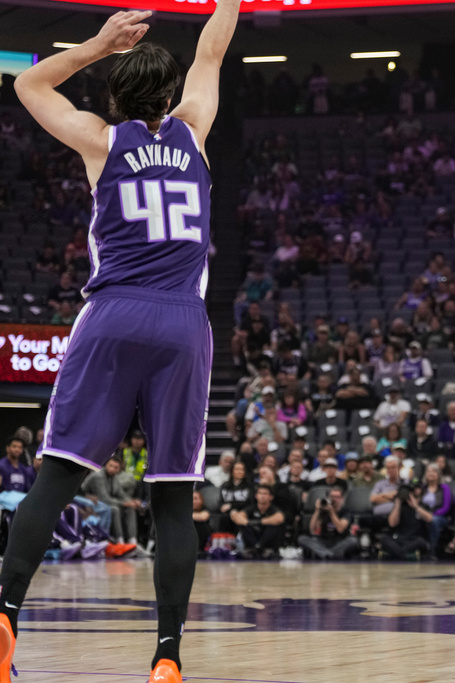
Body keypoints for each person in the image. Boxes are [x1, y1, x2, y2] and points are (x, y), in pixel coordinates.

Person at [1, 4, 240, 680]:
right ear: (170, 95)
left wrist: (98, 43)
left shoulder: (101, 141)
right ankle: (167, 654)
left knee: (55, 476)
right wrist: (228, 2)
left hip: (112, 314)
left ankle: (5, 616)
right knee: (170, 496)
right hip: (182, 323)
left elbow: (27, 85)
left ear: (116, 95)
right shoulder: (194, 135)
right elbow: (211, 53)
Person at [298, 487, 356, 561]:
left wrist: (331, 512)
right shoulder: (323, 510)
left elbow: (340, 529)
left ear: (342, 499)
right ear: (328, 497)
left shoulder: (346, 512)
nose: (335, 499)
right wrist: (317, 510)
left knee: (353, 540)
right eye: (332, 497)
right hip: (323, 541)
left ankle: (325, 554)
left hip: (339, 541)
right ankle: (330, 554)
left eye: (337, 497)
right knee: (302, 539)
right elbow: (312, 529)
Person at [231, 485, 285, 559]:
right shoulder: (252, 508)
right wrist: (248, 522)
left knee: (274, 525)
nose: (262, 496)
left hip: (267, 539)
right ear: (256, 496)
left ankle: (260, 547)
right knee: (243, 525)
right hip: (254, 536)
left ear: (271, 497)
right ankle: (256, 547)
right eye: (260, 493)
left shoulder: (273, 509)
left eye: (265, 494)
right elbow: (238, 517)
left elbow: (280, 518)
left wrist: (259, 522)